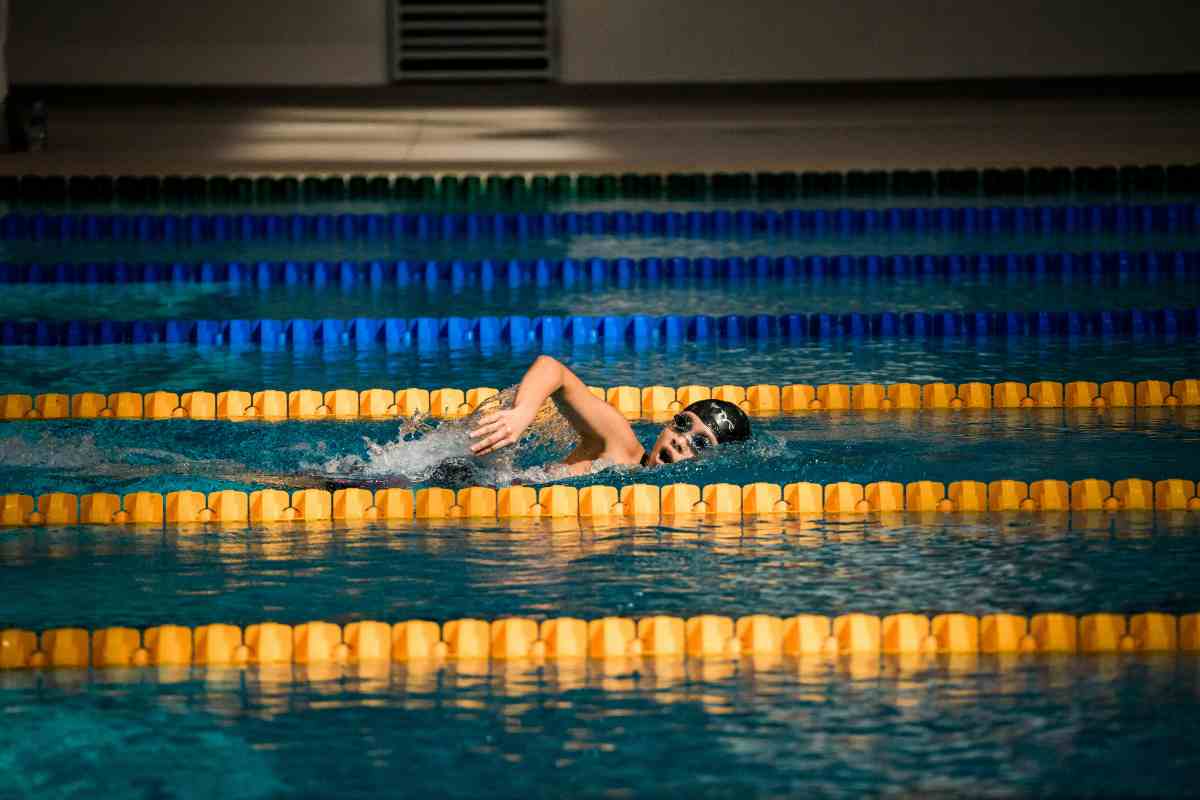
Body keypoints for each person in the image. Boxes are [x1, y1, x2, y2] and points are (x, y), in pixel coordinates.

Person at [469, 355, 751, 472]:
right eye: (682, 424)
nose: (681, 439)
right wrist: (523, 412)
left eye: (700, 442)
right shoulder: (620, 445)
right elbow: (552, 368)